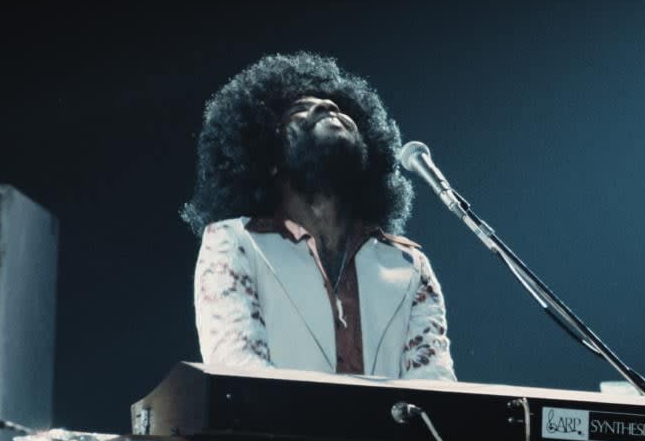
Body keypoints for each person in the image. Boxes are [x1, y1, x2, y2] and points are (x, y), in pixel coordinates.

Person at [183, 52, 454, 382]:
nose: (328, 107)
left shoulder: (408, 265)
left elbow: (434, 390)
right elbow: (239, 372)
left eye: (338, 108)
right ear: (269, 159)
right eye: (299, 111)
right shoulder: (234, 242)